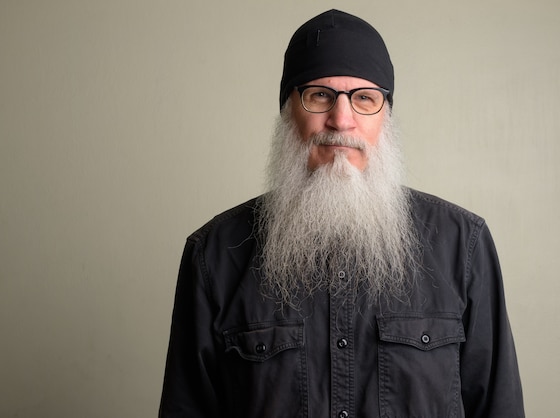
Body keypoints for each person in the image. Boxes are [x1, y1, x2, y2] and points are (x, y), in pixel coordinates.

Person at [159, 9, 525, 418]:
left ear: (385, 116)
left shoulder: (463, 244)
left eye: (364, 98)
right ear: (288, 112)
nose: (341, 120)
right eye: (319, 95)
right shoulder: (214, 255)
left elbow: (499, 407)